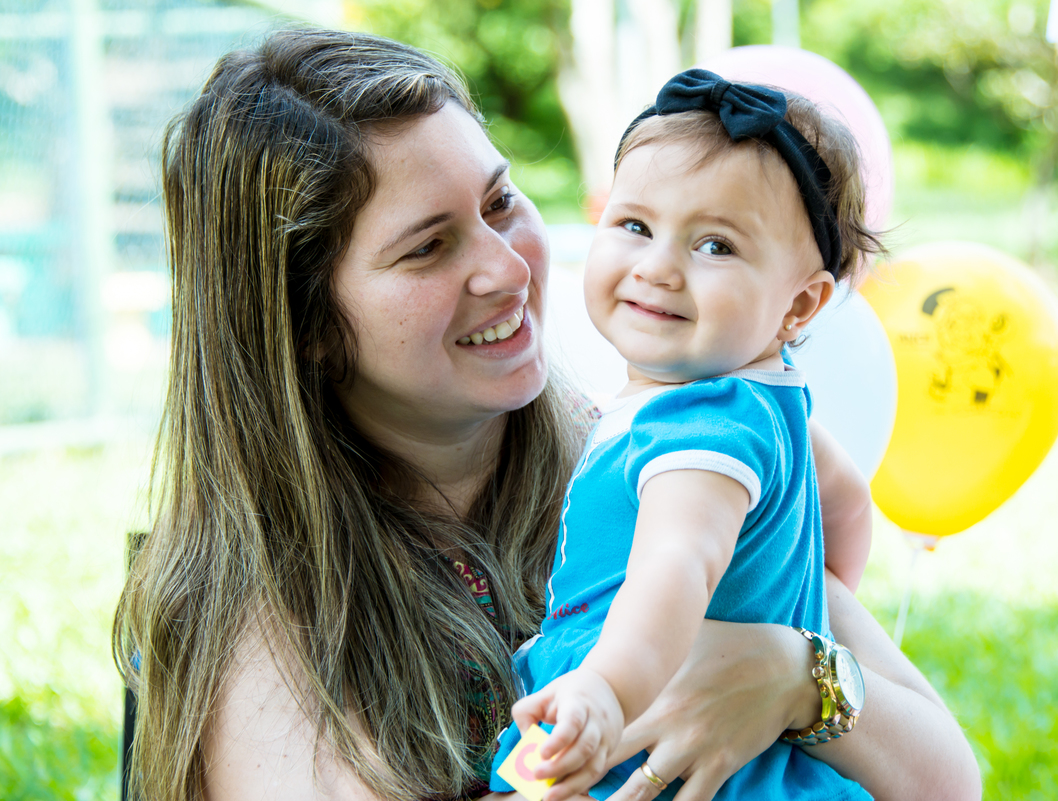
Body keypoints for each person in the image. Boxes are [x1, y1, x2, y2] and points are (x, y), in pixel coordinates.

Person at [112, 28, 981, 801]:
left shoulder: (655, 449)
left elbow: (950, 778)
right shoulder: (262, 604)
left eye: (500, 203)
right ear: (307, 329)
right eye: (428, 246)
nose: (507, 267)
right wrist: (564, 759)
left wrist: (793, 675)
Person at [488, 70, 883, 801]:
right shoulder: (776, 400)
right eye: (635, 226)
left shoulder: (699, 430)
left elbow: (678, 562)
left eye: (715, 246)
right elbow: (850, 501)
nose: (659, 267)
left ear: (800, 303)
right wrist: (811, 596)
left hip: (637, 728)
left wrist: (607, 688)